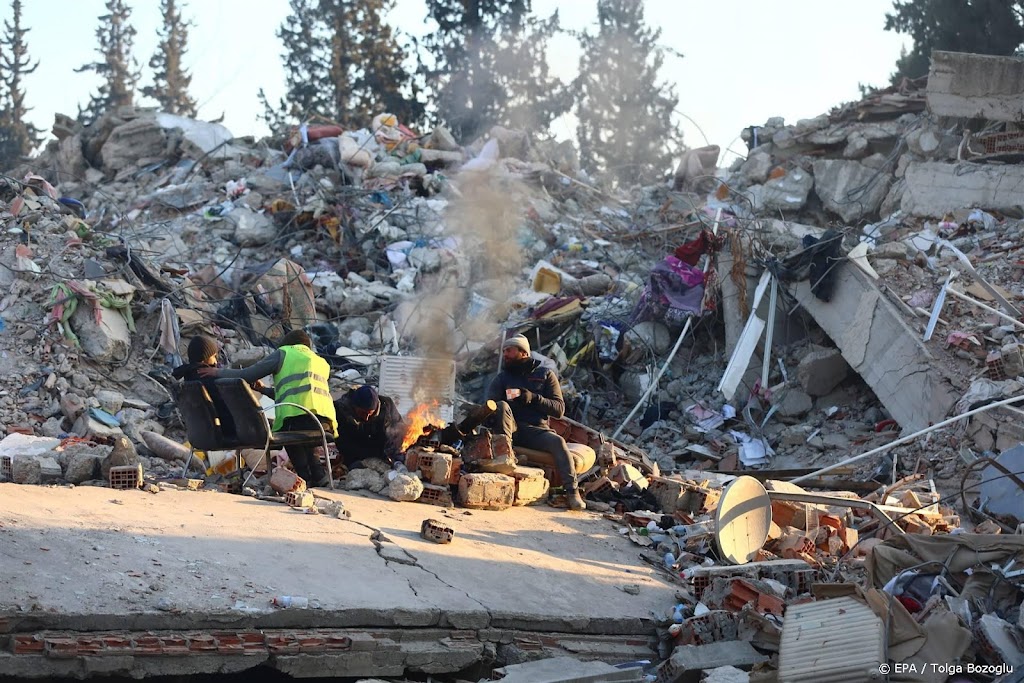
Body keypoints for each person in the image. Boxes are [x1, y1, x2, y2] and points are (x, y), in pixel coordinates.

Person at [199, 329, 337, 487]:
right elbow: (294, 395)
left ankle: (305, 477)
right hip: (324, 423)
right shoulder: (320, 361)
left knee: (288, 431)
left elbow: (247, 374)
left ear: (287, 345)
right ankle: (319, 475)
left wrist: (217, 372)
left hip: (299, 419)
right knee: (301, 432)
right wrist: (263, 390)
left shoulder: (284, 353)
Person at [486, 334, 585, 511]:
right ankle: (505, 455)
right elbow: (490, 406)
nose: (505, 354)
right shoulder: (502, 378)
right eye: (504, 351)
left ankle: (572, 493)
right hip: (510, 431)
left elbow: (559, 409)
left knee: (558, 442)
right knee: (500, 405)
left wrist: (534, 398)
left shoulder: (545, 375)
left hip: (535, 431)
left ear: (523, 352)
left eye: (509, 350)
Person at [172, 334, 237, 439]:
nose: (216, 360)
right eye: (214, 356)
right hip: (228, 434)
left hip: (200, 436)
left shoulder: (188, 381)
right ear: (205, 359)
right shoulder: (214, 381)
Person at [333, 385, 405, 469]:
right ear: (354, 406)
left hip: (383, 454)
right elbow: (342, 443)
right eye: (362, 413)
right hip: (354, 456)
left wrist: (393, 454)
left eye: (370, 414)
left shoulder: (387, 406)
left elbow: (399, 431)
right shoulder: (341, 410)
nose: (366, 418)